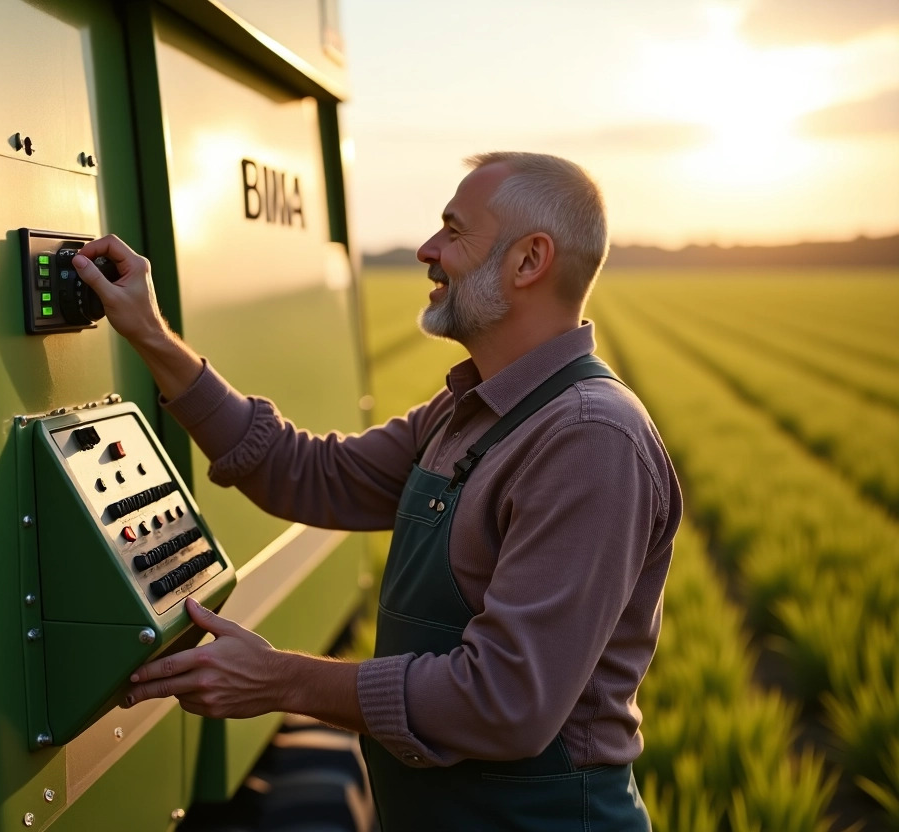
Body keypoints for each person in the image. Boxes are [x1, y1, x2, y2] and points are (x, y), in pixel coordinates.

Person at [71, 151, 681, 831]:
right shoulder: (466, 412)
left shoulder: (590, 439)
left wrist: (282, 680)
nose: (427, 249)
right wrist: (151, 336)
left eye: (454, 231)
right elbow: (305, 474)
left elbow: (505, 701)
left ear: (528, 261)